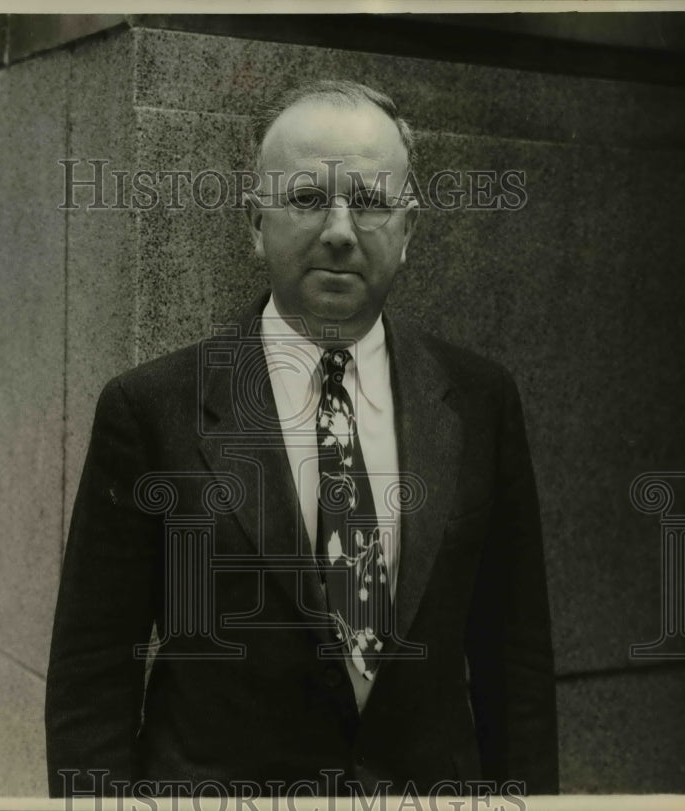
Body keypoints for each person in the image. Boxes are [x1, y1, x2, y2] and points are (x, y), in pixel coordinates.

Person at [45, 80, 558, 800]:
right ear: (255, 223)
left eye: (373, 201)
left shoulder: (480, 400)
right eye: (308, 198)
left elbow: (516, 663)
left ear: (408, 231)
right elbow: (93, 672)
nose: (342, 230)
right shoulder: (151, 409)